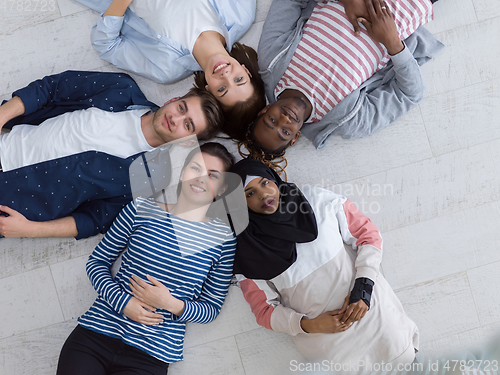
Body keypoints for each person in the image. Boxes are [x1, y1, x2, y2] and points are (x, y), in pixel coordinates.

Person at [56, 142, 238, 375]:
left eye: (213, 176)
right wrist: (124, 303)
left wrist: (171, 304)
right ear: (183, 172)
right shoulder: (140, 208)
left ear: (222, 189)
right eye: (196, 168)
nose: (201, 178)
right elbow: (97, 262)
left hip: (150, 357)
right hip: (95, 336)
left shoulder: (223, 240)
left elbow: (211, 308)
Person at [231, 158, 419, 371]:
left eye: (265, 183)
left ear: (274, 179)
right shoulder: (246, 253)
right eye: (249, 193)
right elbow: (264, 311)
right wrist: (308, 325)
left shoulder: (314, 199)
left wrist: (363, 290)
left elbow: (367, 236)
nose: (263, 194)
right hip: (335, 355)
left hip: (382, 329)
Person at [0, 70, 223, 240]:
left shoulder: (148, 181)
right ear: (172, 100)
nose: (175, 119)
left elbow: (95, 219)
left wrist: (30, 230)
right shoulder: (120, 88)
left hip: (12, 204)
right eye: (182, 108)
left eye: (188, 125)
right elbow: (52, 88)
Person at [240, 0, 445, 168]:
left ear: (264, 110)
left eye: (272, 120)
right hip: (407, 6)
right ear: (295, 137)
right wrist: (393, 43)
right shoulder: (348, 121)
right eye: (285, 132)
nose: (284, 119)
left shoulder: (272, 59)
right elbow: (410, 93)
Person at [76, 0, 266, 138]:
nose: (226, 76)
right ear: (246, 71)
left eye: (222, 89)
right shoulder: (241, 14)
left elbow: (106, 44)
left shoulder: (167, 68)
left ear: (208, 90)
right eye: (239, 79)